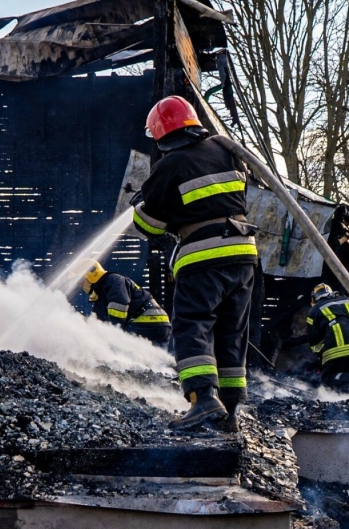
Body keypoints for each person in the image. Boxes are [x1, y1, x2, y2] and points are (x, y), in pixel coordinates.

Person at [133, 95, 258, 432]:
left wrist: (140, 204)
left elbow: (149, 227)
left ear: (160, 134)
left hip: (203, 256)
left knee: (192, 324)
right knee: (231, 332)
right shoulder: (226, 153)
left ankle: (202, 400)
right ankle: (229, 413)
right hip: (244, 253)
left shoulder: (169, 165)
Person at [81, 260, 171, 348]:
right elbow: (99, 324)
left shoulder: (113, 280)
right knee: (156, 360)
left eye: (81, 281)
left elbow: (117, 315)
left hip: (148, 322)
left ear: (91, 275)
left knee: (121, 349)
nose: (80, 285)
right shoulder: (100, 295)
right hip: (150, 324)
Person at [306, 283, 349, 395]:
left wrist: (320, 357)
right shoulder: (348, 301)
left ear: (315, 297)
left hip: (335, 347)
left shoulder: (314, 311)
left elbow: (314, 341)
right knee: (343, 377)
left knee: (327, 379)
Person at [321, 204, 349, 294]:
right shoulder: (340, 228)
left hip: (339, 272)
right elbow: (340, 250)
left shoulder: (342, 228)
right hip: (337, 273)